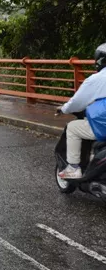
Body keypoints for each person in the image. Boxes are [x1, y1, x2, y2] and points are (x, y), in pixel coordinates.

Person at [56, 43, 106, 180]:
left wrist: (64, 109)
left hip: (103, 126)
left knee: (73, 128)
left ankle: (73, 168)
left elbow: (77, 102)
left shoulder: (96, 79)